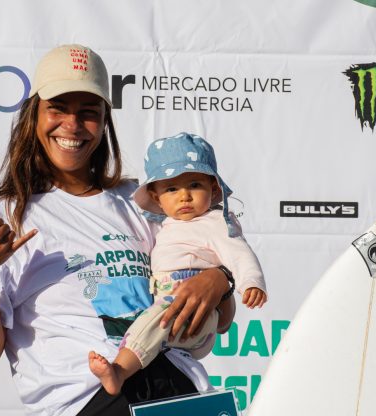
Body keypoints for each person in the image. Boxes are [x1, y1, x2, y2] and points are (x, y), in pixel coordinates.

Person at [0, 44, 235, 416]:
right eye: (58, 109)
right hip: (88, 404)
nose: (72, 125)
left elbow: (221, 317)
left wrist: (219, 279)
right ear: (33, 115)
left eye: (88, 113)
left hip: (181, 391)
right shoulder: (7, 214)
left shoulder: (141, 203)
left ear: (104, 122)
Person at [89, 132, 267, 395]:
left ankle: (120, 370)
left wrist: (250, 282)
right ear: (156, 196)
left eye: (194, 185)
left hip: (193, 315)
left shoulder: (217, 221)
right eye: (172, 189)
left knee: (156, 320)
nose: (184, 196)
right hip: (173, 320)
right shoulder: (163, 227)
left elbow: (240, 253)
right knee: (154, 320)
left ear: (213, 188)